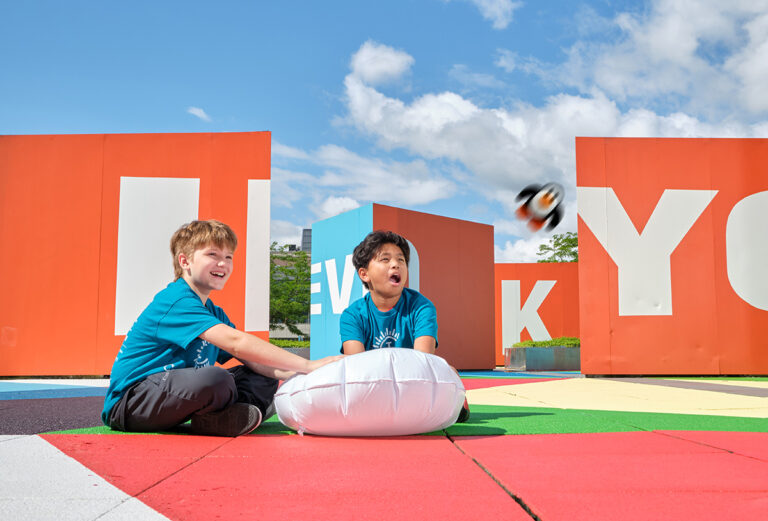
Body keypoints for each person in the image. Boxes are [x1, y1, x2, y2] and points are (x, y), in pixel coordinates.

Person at [102, 219, 342, 437]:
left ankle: (222, 419)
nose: (222, 263)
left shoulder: (213, 311)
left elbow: (250, 358)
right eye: (212, 254)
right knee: (216, 379)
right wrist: (308, 364)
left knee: (262, 374)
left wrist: (299, 376)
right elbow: (236, 342)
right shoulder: (175, 300)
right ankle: (222, 417)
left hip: (174, 395)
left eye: (229, 257)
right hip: (131, 403)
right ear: (184, 261)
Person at [339, 230, 470, 422]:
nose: (396, 264)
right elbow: (356, 369)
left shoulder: (422, 306)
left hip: (414, 383)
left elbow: (424, 361)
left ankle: (455, 403)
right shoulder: (352, 315)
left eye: (401, 260)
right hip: (374, 385)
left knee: (447, 370)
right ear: (364, 274)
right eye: (385, 259)